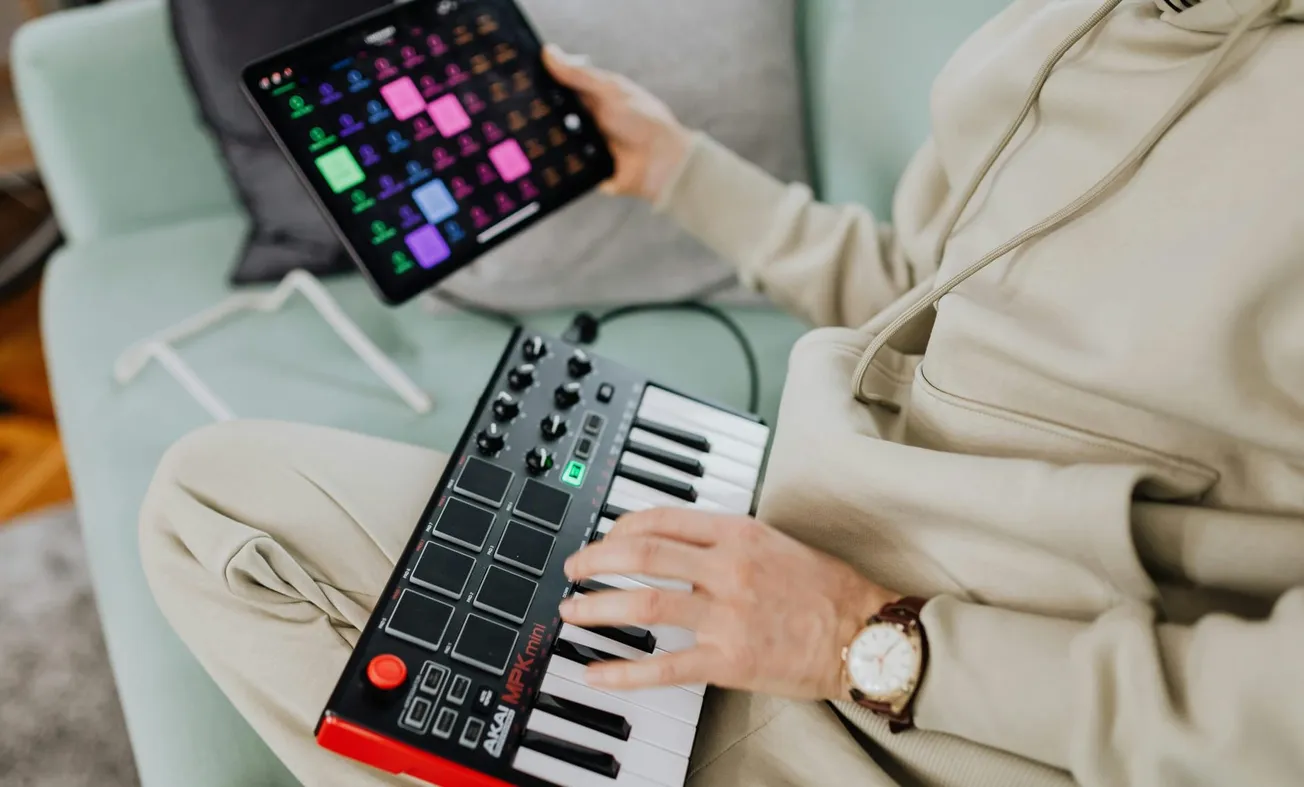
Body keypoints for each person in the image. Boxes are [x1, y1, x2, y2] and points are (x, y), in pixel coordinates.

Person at [139, 0, 1304, 785]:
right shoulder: (1078, 22)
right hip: (789, 557)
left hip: (935, 730)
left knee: (216, 507)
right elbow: (927, 290)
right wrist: (674, 168)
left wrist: (861, 640)